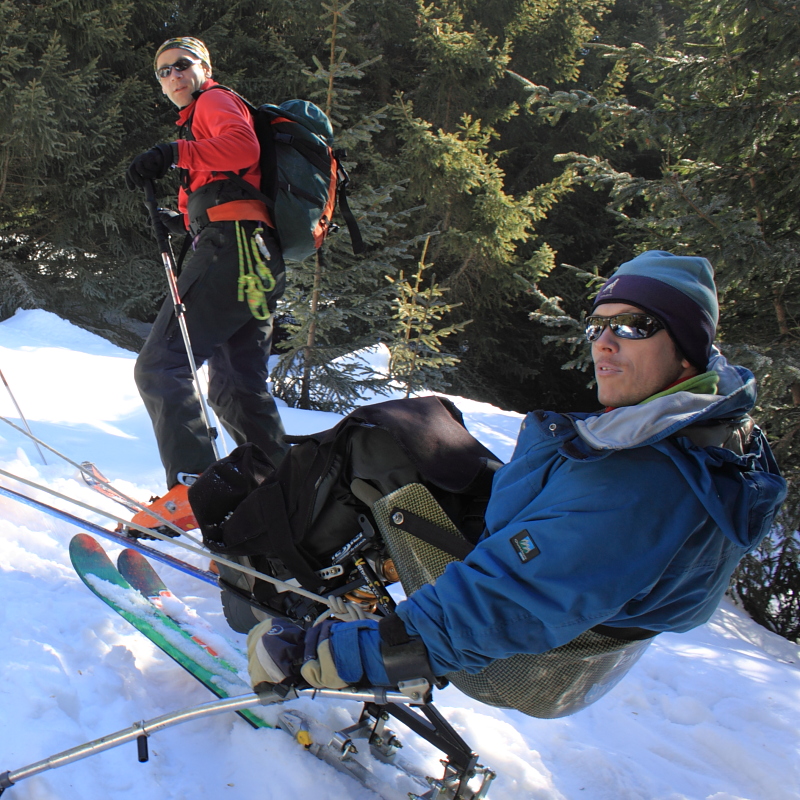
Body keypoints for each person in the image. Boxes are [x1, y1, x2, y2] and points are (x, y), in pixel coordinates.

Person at [246, 250, 787, 696]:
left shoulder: (644, 482)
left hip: (523, 662)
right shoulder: (711, 430)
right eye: (598, 325)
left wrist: (341, 654)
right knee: (421, 432)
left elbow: (508, 599)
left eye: (633, 325)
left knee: (376, 444)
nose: (604, 342)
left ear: (688, 349)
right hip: (564, 629)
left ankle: (277, 584)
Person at [125, 37, 288, 531]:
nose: (173, 76)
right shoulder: (201, 119)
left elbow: (242, 148)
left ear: (204, 68)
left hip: (233, 249)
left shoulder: (214, 101)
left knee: (161, 365)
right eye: (163, 71)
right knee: (236, 390)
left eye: (182, 65)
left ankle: (193, 489)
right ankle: (286, 500)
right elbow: (230, 182)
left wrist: (173, 151)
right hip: (255, 257)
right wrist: (183, 219)